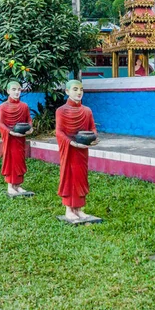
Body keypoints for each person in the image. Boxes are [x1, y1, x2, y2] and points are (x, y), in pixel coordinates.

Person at [56, 80, 98, 221]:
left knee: (81, 178)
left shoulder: (87, 111)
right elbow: (59, 132)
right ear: (67, 92)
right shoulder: (61, 111)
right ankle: (69, 209)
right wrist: (72, 142)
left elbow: (92, 129)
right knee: (69, 176)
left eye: (81, 89)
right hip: (69, 150)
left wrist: (94, 138)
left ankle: (79, 209)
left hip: (82, 150)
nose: (79, 92)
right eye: (75, 89)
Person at [0, 81, 33, 195]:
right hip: (10, 139)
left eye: (18, 89)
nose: (17, 92)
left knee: (19, 161)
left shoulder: (24, 106)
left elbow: (29, 120)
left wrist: (30, 128)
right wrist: (11, 132)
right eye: (13, 89)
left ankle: (18, 185)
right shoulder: (3, 106)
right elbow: (1, 124)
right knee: (11, 160)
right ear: (8, 91)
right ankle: (10, 186)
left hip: (20, 138)